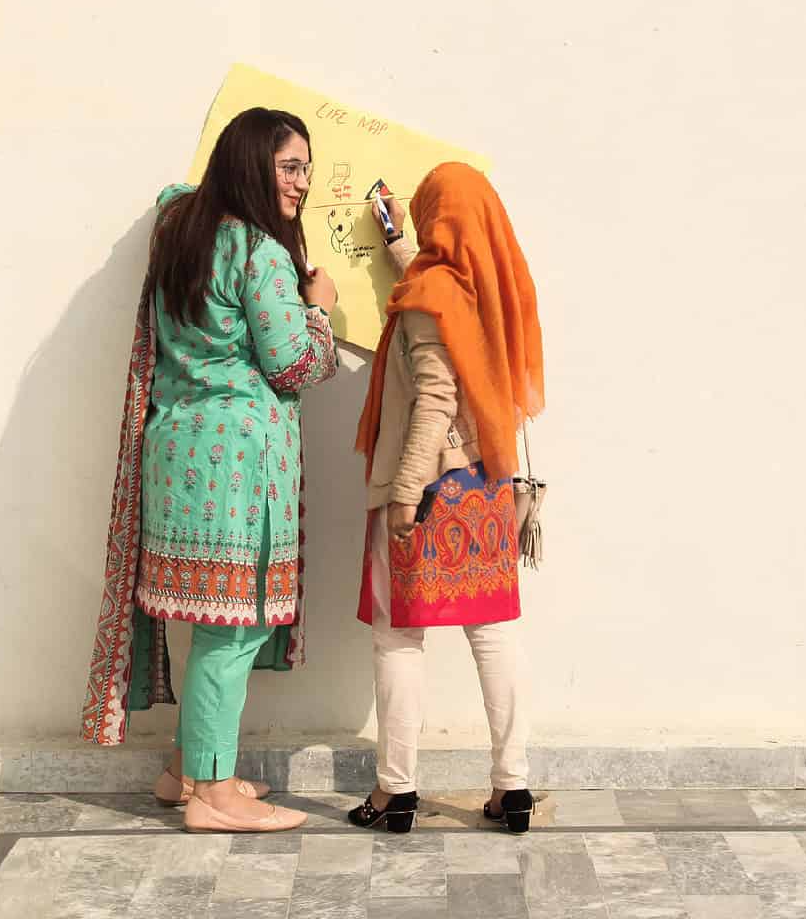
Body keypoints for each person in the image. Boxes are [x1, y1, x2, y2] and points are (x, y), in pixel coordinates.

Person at [81, 108, 338, 834]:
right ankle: (214, 797)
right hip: (238, 474)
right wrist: (319, 311)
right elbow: (294, 364)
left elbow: (175, 194)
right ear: (251, 165)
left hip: (179, 459)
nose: (303, 183)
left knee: (212, 623)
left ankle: (186, 771)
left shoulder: (182, 234)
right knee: (234, 629)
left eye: (306, 168)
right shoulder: (258, 252)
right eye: (289, 167)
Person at [350, 162, 544, 834]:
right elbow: (441, 314)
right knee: (493, 634)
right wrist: (397, 242)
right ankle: (513, 788)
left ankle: (395, 791)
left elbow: (434, 398)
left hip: (429, 493)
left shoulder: (430, 297)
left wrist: (404, 495)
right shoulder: (488, 290)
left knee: (398, 637)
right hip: (485, 489)